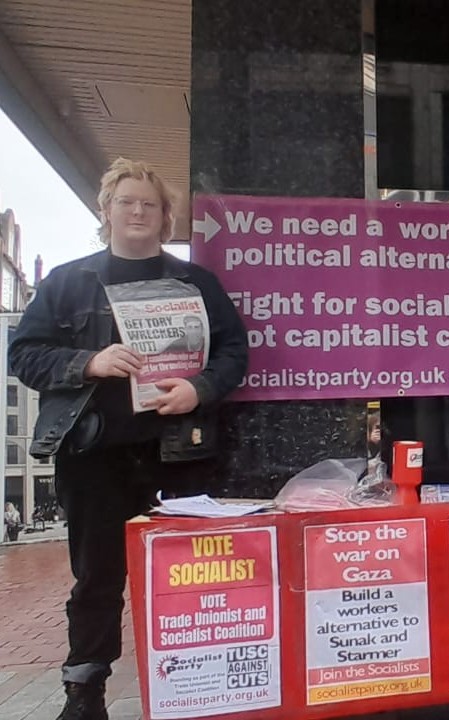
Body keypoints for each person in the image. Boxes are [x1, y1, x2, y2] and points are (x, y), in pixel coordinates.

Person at [9, 158, 249, 720]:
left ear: (166, 217)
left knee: (189, 574)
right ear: (106, 211)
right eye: (127, 202)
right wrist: (87, 360)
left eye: (150, 204)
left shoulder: (196, 282)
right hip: (93, 455)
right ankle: (85, 692)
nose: (138, 211)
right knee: (96, 577)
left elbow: (235, 352)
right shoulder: (68, 281)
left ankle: (199, 685)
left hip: (179, 454)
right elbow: (22, 354)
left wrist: (199, 389)